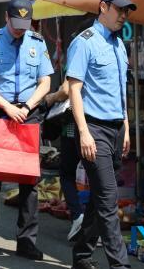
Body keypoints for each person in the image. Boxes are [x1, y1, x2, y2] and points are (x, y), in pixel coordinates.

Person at [0, 0, 52, 260]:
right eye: (16, 23)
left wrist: (28, 107)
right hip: (0, 109)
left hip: (28, 112)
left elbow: (45, 81)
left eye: (25, 23)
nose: (21, 29)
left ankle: (26, 240)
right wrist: (7, 107)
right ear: (6, 18)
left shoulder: (37, 40)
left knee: (29, 179)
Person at [67, 0, 135, 269]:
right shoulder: (85, 41)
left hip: (116, 129)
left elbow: (121, 91)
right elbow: (74, 88)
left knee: (99, 196)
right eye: (119, 9)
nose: (123, 15)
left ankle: (82, 254)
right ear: (103, 7)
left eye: (127, 10)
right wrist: (83, 132)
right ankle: (120, 265)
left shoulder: (119, 43)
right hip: (94, 129)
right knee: (108, 201)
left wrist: (127, 126)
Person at [44, 80, 84, 240]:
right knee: (98, 178)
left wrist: (52, 97)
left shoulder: (78, 56)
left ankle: (78, 216)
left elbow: (67, 90)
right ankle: (97, 224)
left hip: (73, 129)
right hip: (99, 128)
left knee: (67, 174)